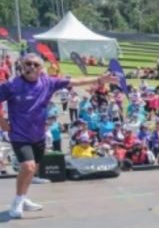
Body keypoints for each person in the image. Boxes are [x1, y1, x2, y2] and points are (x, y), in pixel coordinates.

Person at [0, 53, 116, 218]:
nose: (32, 67)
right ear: (23, 65)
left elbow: (75, 82)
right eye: (28, 64)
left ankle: (23, 197)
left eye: (35, 64)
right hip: (19, 134)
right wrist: (3, 123)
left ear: (41, 69)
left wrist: (99, 79)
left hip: (38, 134)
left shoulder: (48, 82)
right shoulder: (12, 84)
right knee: (28, 167)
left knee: (34, 169)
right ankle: (17, 202)